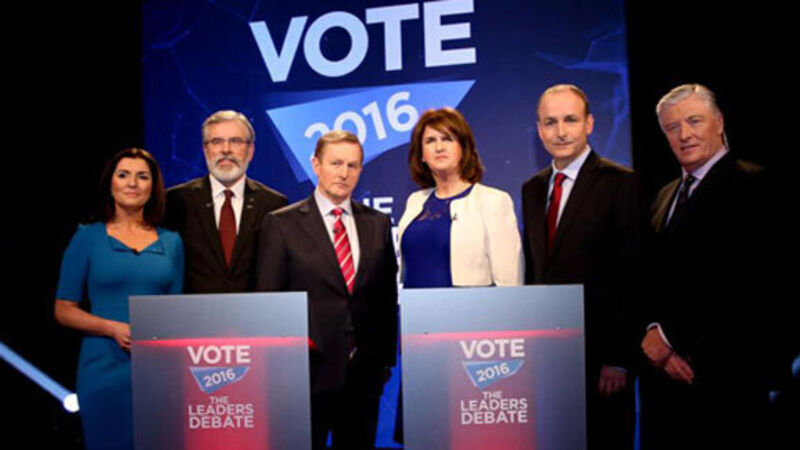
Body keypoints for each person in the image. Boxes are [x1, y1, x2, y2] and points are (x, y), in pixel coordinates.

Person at [639, 84, 777, 449]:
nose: (684, 134)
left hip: (725, 382)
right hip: (662, 386)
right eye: (672, 127)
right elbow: (649, 275)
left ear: (719, 122)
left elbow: (749, 285)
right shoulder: (664, 195)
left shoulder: (753, 184)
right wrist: (653, 332)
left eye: (694, 121)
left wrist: (670, 340)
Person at [256, 130, 398, 449]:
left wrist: (384, 362)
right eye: (336, 163)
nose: (344, 173)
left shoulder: (377, 223)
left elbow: (386, 298)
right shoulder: (281, 224)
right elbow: (270, 302)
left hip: (365, 373)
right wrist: (277, 367)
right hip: (304, 374)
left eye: (352, 165)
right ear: (316, 165)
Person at [521, 84, 643, 449]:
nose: (560, 131)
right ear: (539, 129)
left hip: (603, 361)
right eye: (550, 122)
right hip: (548, 357)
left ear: (589, 123)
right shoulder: (531, 189)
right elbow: (536, 271)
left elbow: (632, 275)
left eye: (570, 120)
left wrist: (618, 359)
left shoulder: (621, 183)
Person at [54, 148, 184, 450]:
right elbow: (63, 309)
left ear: (153, 187)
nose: (132, 183)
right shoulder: (87, 238)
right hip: (103, 368)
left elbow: (175, 311)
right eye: (123, 175)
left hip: (158, 370)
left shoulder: (172, 242)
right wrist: (112, 328)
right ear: (110, 183)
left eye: (142, 177)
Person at [397, 107, 523, 288]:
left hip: (470, 306)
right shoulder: (415, 201)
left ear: (464, 148)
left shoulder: (492, 201)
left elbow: (509, 281)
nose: (439, 147)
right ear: (422, 155)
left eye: (447, 139)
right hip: (415, 305)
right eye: (430, 141)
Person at [165, 110, 287, 293]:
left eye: (235, 141)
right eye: (217, 142)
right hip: (194, 309)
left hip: (254, 309)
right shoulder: (177, 200)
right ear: (206, 150)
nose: (226, 149)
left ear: (250, 151)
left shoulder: (273, 204)